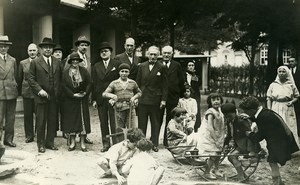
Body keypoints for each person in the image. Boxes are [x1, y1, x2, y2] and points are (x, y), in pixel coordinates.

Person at [239, 96, 299, 185]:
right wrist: (249, 118)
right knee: (285, 155)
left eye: (246, 111)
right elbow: (259, 119)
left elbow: (259, 137)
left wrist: (248, 134)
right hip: (282, 137)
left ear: (252, 110)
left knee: (272, 160)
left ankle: (277, 182)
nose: (245, 113)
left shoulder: (264, 117)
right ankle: (278, 182)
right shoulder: (264, 112)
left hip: (279, 141)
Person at [27, 37, 62, 153]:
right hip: (41, 96)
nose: (48, 49)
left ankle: (50, 142)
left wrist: (58, 92)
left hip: (53, 96)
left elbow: (61, 78)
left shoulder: (57, 61)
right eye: (45, 47)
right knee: (41, 121)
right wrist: (39, 90)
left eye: (50, 47)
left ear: (52, 49)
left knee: (52, 120)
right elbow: (30, 79)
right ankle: (40, 144)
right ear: (41, 49)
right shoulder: (36, 62)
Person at [136, 46, 168, 152]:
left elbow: (165, 85)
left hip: (156, 99)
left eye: (155, 55)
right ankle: (142, 143)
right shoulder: (142, 66)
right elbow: (138, 83)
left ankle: (154, 144)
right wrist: (137, 97)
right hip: (143, 98)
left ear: (158, 55)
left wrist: (163, 100)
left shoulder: (162, 67)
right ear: (147, 55)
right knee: (142, 123)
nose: (153, 56)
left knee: (155, 122)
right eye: (151, 54)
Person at [221, 103, 261, 181]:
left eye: (229, 116)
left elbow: (250, 136)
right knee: (230, 157)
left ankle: (241, 176)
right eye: (226, 116)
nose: (227, 118)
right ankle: (243, 175)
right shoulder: (230, 122)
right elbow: (229, 135)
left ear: (235, 112)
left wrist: (251, 151)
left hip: (247, 144)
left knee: (232, 156)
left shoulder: (241, 121)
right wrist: (225, 145)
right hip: (239, 144)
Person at [92, 42, 120, 152]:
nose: (104, 53)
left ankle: (115, 144)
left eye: (106, 51)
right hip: (100, 98)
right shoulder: (96, 66)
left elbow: (118, 82)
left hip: (113, 98)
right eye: (101, 51)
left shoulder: (116, 64)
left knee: (114, 122)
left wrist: (117, 97)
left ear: (110, 52)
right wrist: (94, 99)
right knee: (103, 122)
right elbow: (94, 83)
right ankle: (106, 143)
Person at [61, 52, 92, 152]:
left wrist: (85, 93)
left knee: (83, 120)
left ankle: (82, 142)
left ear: (79, 61)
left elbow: (89, 83)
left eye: (77, 60)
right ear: (70, 61)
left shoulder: (84, 71)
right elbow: (64, 86)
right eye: (73, 60)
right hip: (70, 99)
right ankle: (73, 142)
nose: (75, 61)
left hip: (82, 99)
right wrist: (72, 94)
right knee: (72, 120)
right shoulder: (66, 73)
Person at [266, 65, 299, 147]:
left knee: (288, 126)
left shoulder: (291, 85)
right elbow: (268, 98)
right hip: (276, 107)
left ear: (287, 73)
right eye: (280, 71)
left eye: (283, 71)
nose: (281, 73)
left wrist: (292, 102)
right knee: (276, 127)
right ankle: (277, 146)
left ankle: (290, 147)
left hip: (288, 108)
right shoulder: (273, 85)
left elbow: (297, 96)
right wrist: (269, 110)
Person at [102, 63, 142, 131]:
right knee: (120, 130)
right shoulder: (114, 83)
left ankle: (131, 141)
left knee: (132, 129)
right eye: (122, 71)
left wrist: (134, 97)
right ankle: (121, 141)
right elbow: (104, 93)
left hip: (130, 108)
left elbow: (139, 92)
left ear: (129, 72)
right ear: (119, 72)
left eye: (126, 71)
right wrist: (112, 95)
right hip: (119, 109)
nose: (124, 73)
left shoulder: (132, 82)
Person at [159, 45, 185, 147]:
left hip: (173, 96)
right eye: (164, 53)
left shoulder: (177, 65)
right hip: (160, 96)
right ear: (162, 53)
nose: (166, 55)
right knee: (158, 118)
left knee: (170, 119)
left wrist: (179, 93)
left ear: (172, 54)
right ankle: (155, 141)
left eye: (168, 53)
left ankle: (167, 141)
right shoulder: (158, 64)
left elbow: (181, 81)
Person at [197, 92, 226, 179]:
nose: (216, 102)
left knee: (218, 153)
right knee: (213, 155)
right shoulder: (210, 112)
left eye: (218, 99)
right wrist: (215, 139)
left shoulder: (220, 111)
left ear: (221, 100)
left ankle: (216, 169)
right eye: (213, 100)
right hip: (210, 135)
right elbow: (210, 127)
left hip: (218, 133)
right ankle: (206, 172)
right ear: (210, 102)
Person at [18, 43, 38, 143]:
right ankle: (29, 135)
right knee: (28, 115)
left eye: (34, 50)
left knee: (39, 114)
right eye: (30, 50)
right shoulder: (22, 63)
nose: (32, 52)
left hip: (38, 92)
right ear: (27, 51)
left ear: (37, 51)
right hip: (27, 92)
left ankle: (39, 133)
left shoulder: (40, 61)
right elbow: (19, 78)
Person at [0, 35, 18, 147]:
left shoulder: (13, 60)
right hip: (0, 92)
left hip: (11, 92)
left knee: (11, 118)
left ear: (8, 48)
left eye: (5, 46)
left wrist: (14, 86)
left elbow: (15, 76)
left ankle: (8, 139)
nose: (3, 49)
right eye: (1, 46)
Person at [184, 60, 201, 132]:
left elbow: (197, 85)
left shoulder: (197, 76)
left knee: (195, 110)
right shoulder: (184, 75)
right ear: (187, 67)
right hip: (185, 94)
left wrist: (193, 75)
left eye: (192, 65)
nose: (191, 67)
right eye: (189, 65)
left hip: (195, 95)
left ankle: (196, 127)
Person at [289, 57, 300, 144]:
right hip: (290, 97)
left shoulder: (299, 71)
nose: (291, 63)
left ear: (296, 62)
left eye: (292, 61)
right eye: (289, 62)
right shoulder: (287, 71)